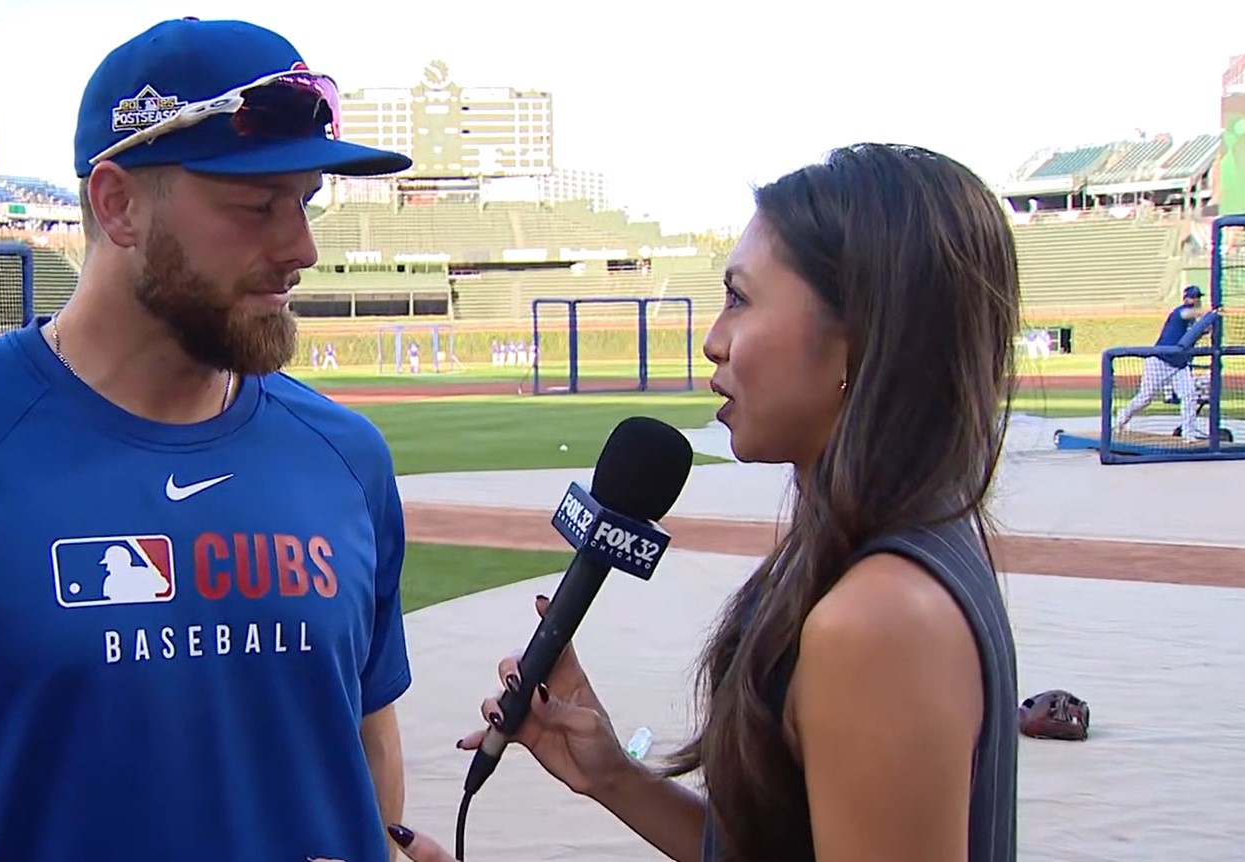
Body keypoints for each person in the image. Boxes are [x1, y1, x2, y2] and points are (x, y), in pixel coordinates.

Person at [0, 18, 416, 862]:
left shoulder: (346, 458)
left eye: (306, 202)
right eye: (257, 206)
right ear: (117, 203)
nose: (300, 248)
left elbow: (365, 734)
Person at [389, 144, 1022, 862]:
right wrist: (615, 779)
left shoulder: (877, 617)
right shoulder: (891, 550)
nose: (713, 341)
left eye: (740, 298)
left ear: (857, 338)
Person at [1114, 284, 1213, 439]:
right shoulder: (1179, 312)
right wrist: (1212, 313)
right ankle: (1121, 419)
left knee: (1189, 395)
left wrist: (1206, 327)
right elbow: (1188, 313)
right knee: (1145, 398)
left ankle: (1189, 433)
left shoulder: (1195, 322)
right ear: (1185, 298)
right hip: (1160, 361)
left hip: (1179, 366)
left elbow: (1196, 332)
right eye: (1193, 297)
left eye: (1198, 297)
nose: (1196, 300)